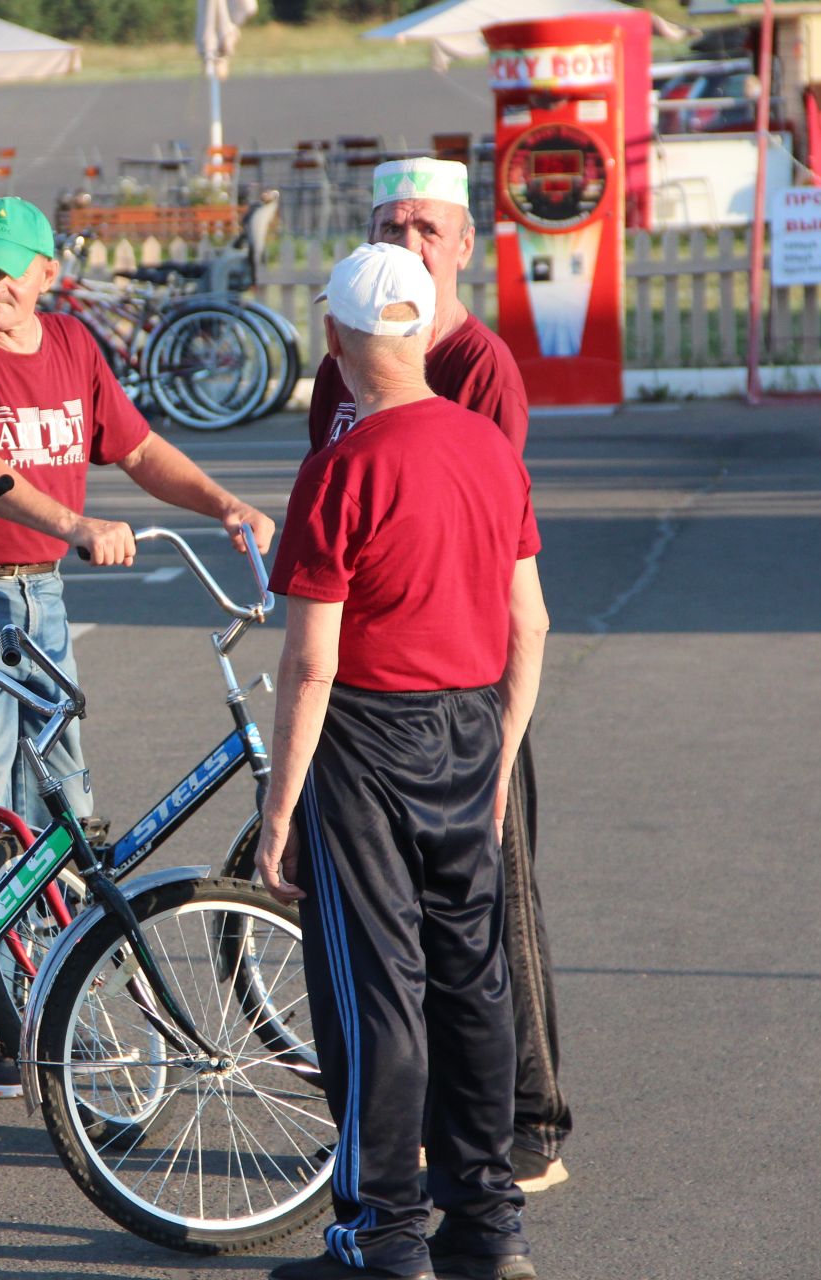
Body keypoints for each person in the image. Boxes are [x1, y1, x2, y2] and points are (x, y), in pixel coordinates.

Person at [0, 195, 275, 1099]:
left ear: (48, 274)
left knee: (61, 803)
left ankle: (46, 1005)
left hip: (39, 595)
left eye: (11, 269)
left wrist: (223, 505)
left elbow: (136, 451)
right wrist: (76, 522)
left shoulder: (71, 348)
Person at [255, 242, 550, 1280]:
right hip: (470, 725)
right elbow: (532, 623)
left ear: (334, 343)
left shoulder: (340, 465)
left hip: (368, 738)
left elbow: (309, 662)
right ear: (424, 328)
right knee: (472, 976)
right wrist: (501, 751)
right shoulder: (486, 448)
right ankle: (488, 1225)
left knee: (376, 984)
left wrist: (279, 802)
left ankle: (382, 1235)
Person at [308, 157, 571, 1193]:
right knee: (403, 947)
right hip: (366, 683)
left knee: (492, 920)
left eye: (425, 226)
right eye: (388, 222)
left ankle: (528, 1126)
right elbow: (334, 488)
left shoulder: (480, 367)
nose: (406, 241)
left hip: (464, 681)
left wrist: (499, 735)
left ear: (464, 243)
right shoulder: (344, 364)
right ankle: (421, 1156)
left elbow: (488, 534)